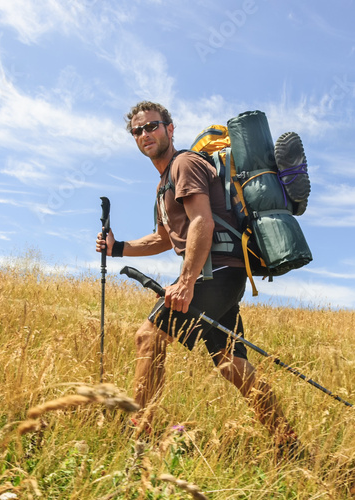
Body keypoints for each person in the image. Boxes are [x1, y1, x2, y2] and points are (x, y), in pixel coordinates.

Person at [96, 101, 300, 454]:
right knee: (231, 364)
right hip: (223, 274)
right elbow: (163, 238)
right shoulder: (164, 184)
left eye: (152, 126)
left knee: (148, 337)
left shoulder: (184, 164)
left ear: (170, 129)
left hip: (214, 273)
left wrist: (187, 281)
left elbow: (201, 222)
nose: (145, 134)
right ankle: (288, 442)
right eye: (138, 130)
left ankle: (139, 440)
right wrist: (118, 248)